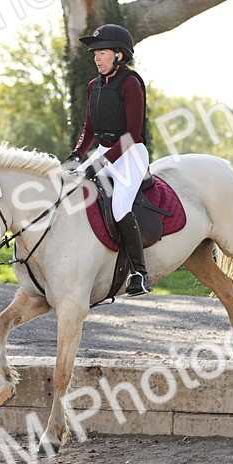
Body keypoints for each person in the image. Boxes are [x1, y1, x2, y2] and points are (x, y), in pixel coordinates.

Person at [63, 23, 151, 296]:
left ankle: (140, 273)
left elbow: (132, 134)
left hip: (131, 154)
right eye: (94, 53)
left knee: (120, 207)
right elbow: (88, 130)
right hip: (104, 150)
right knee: (68, 192)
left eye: (102, 52)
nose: (96, 58)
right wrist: (76, 156)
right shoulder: (94, 86)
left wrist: (99, 164)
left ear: (119, 55)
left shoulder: (131, 83)